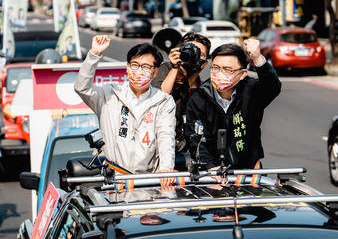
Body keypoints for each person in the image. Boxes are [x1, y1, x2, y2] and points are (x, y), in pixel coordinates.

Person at [74, 36, 176, 187]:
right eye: (135, 65)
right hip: (115, 181)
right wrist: (94, 54)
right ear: (127, 67)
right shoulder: (108, 94)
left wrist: (166, 168)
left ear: (155, 72)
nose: (139, 71)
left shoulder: (163, 101)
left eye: (146, 67)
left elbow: (166, 136)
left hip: (150, 182)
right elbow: (81, 87)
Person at [185, 40, 281, 172]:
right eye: (216, 68)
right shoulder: (200, 97)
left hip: (248, 171)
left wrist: (257, 58)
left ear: (242, 74)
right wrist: (210, 168)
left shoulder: (251, 91)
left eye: (227, 70)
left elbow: (272, 87)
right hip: (210, 174)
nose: (219, 73)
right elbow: (195, 138)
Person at [151, 32, 211, 153]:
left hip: (192, 148)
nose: (194, 56)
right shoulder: (166, 69)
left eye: (200, 54)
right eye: (190, 51)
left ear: (205, 64)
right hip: (164, 146)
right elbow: (160, 98)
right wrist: (175, 67)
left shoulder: (204, 87)